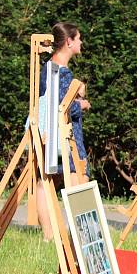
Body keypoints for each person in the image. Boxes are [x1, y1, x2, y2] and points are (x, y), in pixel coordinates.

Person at [36, 22, 91, 240]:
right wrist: (82, 104)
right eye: (78, 39)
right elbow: (62, 106)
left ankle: (49, 235)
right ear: (69, 42)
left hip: (51, 133)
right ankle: (81, 235)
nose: (81, 42)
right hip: (65, 136)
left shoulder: (48, 68)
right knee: (79, 177)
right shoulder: (62, 72)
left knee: (48, 180)